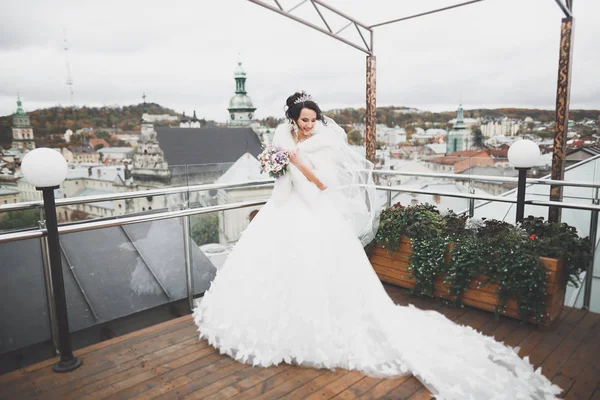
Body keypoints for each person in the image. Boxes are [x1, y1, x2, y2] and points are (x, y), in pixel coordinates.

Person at [193, 91, 561, 400]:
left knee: (316, 274)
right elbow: (278, 172)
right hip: (281, 210)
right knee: (274, 272)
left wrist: (296, 163)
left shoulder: (324, 142)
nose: (308, 125)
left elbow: (323, 184)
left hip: (314, 213)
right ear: (292, 119)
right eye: (302, 120)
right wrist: (278, 163)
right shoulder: (282, 137)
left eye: (312, 119)